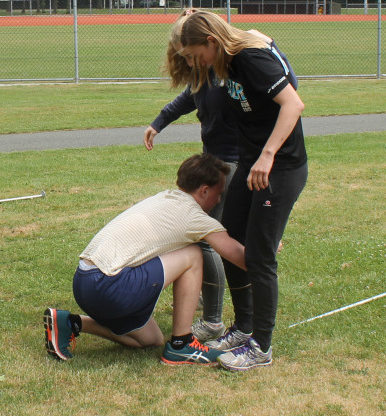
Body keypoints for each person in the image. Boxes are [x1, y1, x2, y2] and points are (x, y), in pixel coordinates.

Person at [165, 9, 307, 372]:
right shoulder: (223, 62)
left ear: (211, 42)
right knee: (231, 240)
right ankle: (243, 328)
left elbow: (294, 102)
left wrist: (268, 154)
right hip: (250, 167)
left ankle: (261, 346)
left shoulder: (250, 57)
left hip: (280, 167)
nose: (197, 64)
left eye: (197, 54)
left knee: (259, 255)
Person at [44, 153, 247, 366]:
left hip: (84, 283)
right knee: (194, 254)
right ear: (205, 190)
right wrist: (264, 249)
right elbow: (237, 256)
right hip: (107, 286)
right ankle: (181, 344)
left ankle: (70, 323)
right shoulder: (194, 217)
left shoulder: (164, 197)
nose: (218, 200)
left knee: (151, 339)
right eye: (219, 194)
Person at [144, 59, 240, 344]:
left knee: (206, 239)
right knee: (204, 236)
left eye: (188, 51)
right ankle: (201, 289)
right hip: (214, 160)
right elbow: (188, 98)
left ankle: (213, 321)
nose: (184, 58)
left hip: (232, 164)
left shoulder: (230, 74)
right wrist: (158, 123)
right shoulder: (204, 74)